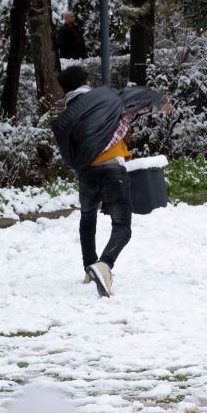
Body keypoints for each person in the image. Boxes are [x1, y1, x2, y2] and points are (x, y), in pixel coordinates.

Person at [51, 65, 171, 298]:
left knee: (87, 220)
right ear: (87, 82)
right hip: (112, 170)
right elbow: (133, 103)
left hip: (86, 174)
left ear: (64, 90)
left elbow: (69, 156)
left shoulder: (68, 117)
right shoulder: (105, 101)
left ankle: (89, 267)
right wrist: (157, 102)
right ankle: (104, 265)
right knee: (122, 227)